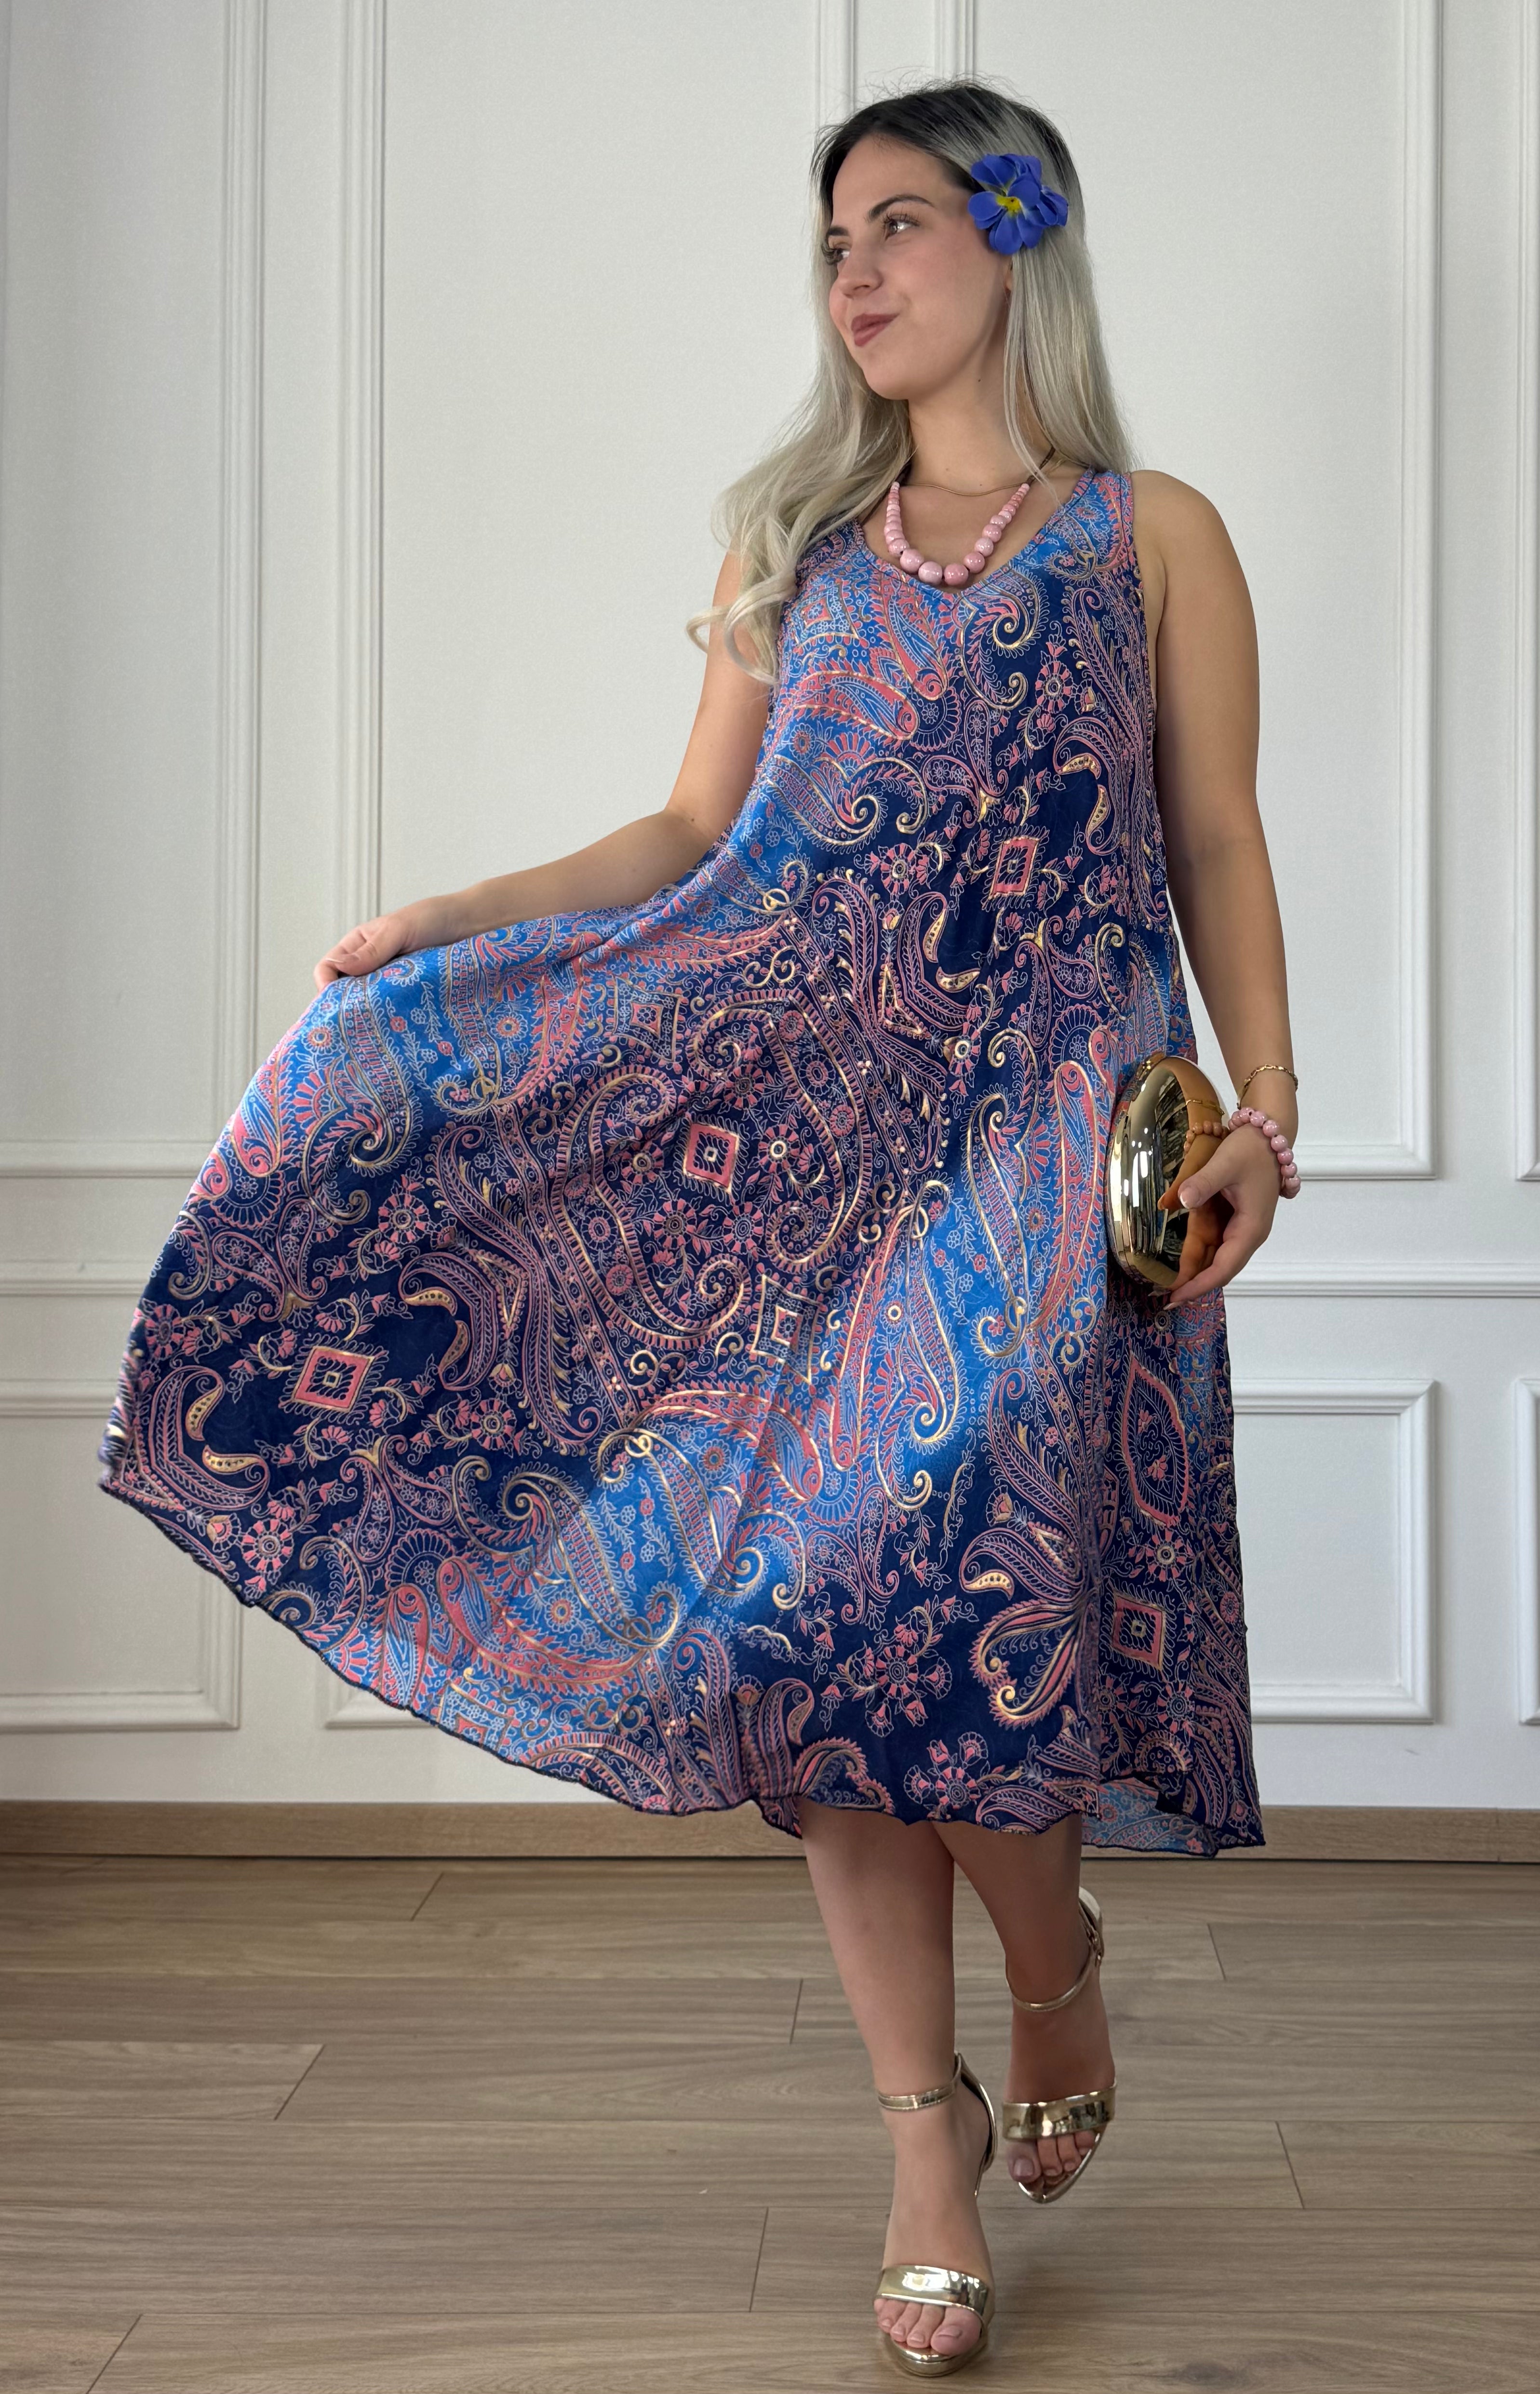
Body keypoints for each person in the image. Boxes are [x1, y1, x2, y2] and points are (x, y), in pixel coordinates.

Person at [98, 76, 1299, 2378]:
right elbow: (686, 841)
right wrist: (457, 918)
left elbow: (1217, 835)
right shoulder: (795, 540)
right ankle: (923, 2134)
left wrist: (1270, 1112)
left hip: (1049, 1147)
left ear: (1016, 239)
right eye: (832, 241)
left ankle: (1053, 1967)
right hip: (803, 1151)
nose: (855, 274)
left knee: (984, 1607)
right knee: (809, 1635)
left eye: (901, 225)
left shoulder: (1148, 536)